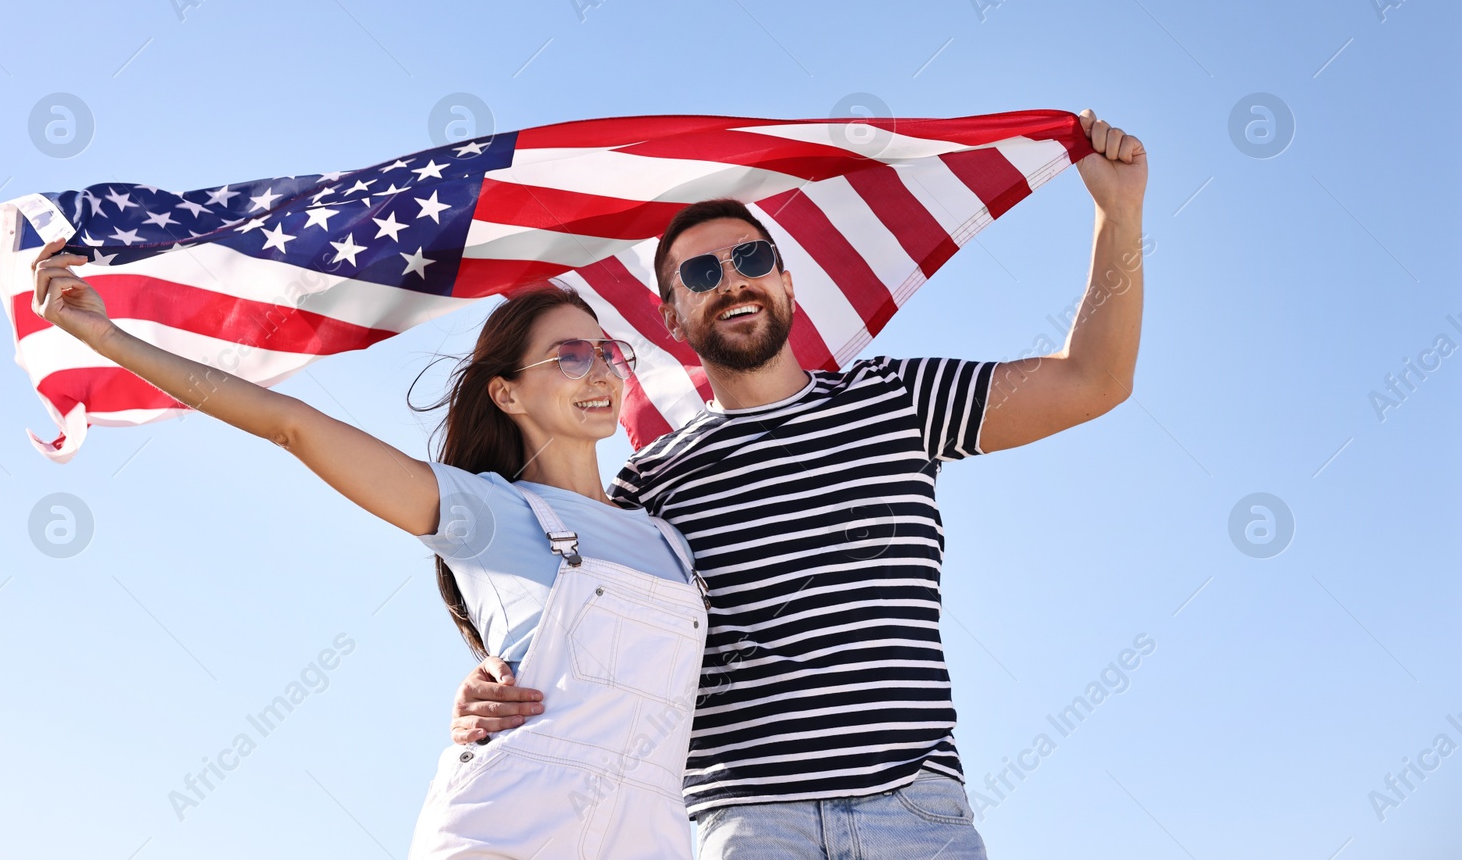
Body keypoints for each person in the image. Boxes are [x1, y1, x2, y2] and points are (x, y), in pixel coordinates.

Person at [449, 109, 1148, 858]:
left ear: (787, 281)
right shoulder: (647, 487)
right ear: (672, 318)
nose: (733, 281)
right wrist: (486, 678)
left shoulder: (897, 400)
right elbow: (569, 621)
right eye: (700, 273)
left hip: (914, 810)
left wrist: (1118, 211)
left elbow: (1091, 381)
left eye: (751, 258)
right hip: (751, 823)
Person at [28, 240, 712, 860]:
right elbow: (292, 426)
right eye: (570, 355)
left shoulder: (670, 540)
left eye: (606, 353)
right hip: (507, 834)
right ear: (506, 391)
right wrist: (107, 337)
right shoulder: (482, 509)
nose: (599, 372)